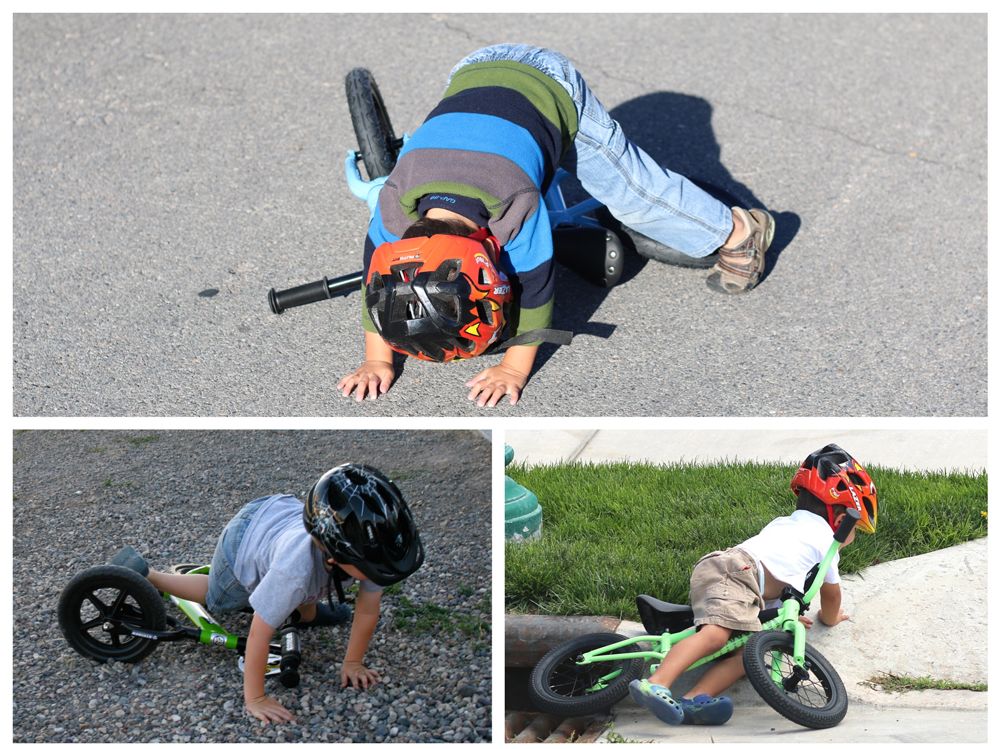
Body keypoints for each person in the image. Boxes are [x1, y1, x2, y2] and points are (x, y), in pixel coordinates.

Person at [337, 44, 775, 407]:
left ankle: (739, 232)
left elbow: (537, 287)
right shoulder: (393, 210)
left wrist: (512, 367)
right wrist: (378, 360)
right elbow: (377, 286)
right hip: (473, 70)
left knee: (633, 193)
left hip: (551, 86)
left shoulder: (514, 205)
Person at [109, 463, 424, 726]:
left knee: (303, 593)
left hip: (277, 517)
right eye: (369, 567)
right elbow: (259, 633)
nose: (378, 573)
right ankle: (149, 574)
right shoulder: (295, 572)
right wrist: (256, 698)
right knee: (219, 597)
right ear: (335, 556)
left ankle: (307, 611)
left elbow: (368, 609)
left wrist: (353, 662)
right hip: (243, 542)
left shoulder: (374, 553)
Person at [629, 444, 878, 726]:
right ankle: (656, 683)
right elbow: (831, 595)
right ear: (843, 521)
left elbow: (774, 581)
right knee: (716, 636)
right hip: (733, 571)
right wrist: (829, 618)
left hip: (745, 584)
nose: (853, 536)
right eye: (856, 530)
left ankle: (694, 699)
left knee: (746, 656)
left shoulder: (787, 526)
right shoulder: (825, 542)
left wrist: (784, 612)